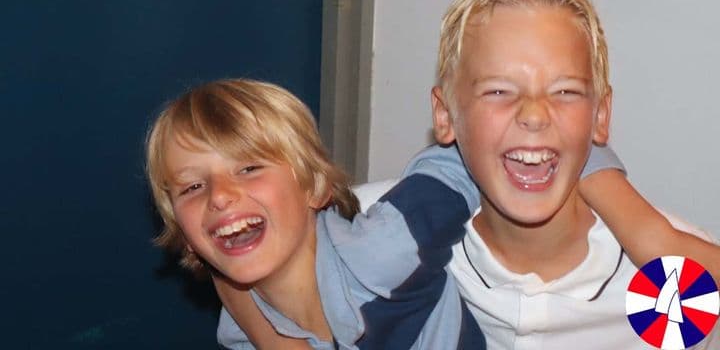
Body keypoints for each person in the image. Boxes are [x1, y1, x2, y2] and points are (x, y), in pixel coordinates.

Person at [392, 0, 719, 349]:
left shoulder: (683, 279)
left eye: (565, 91)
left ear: (600, 115)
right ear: (445, 114)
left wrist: (653, 236)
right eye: (498, 90)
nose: (534, 115)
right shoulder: (367, 246)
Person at [145, 78, 489, 349]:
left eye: (249, 168)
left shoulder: (387, 249)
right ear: (185, 236)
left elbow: (464, 160)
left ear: (316, 186)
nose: (219, 196)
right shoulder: (240, 333)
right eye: (192, 187)